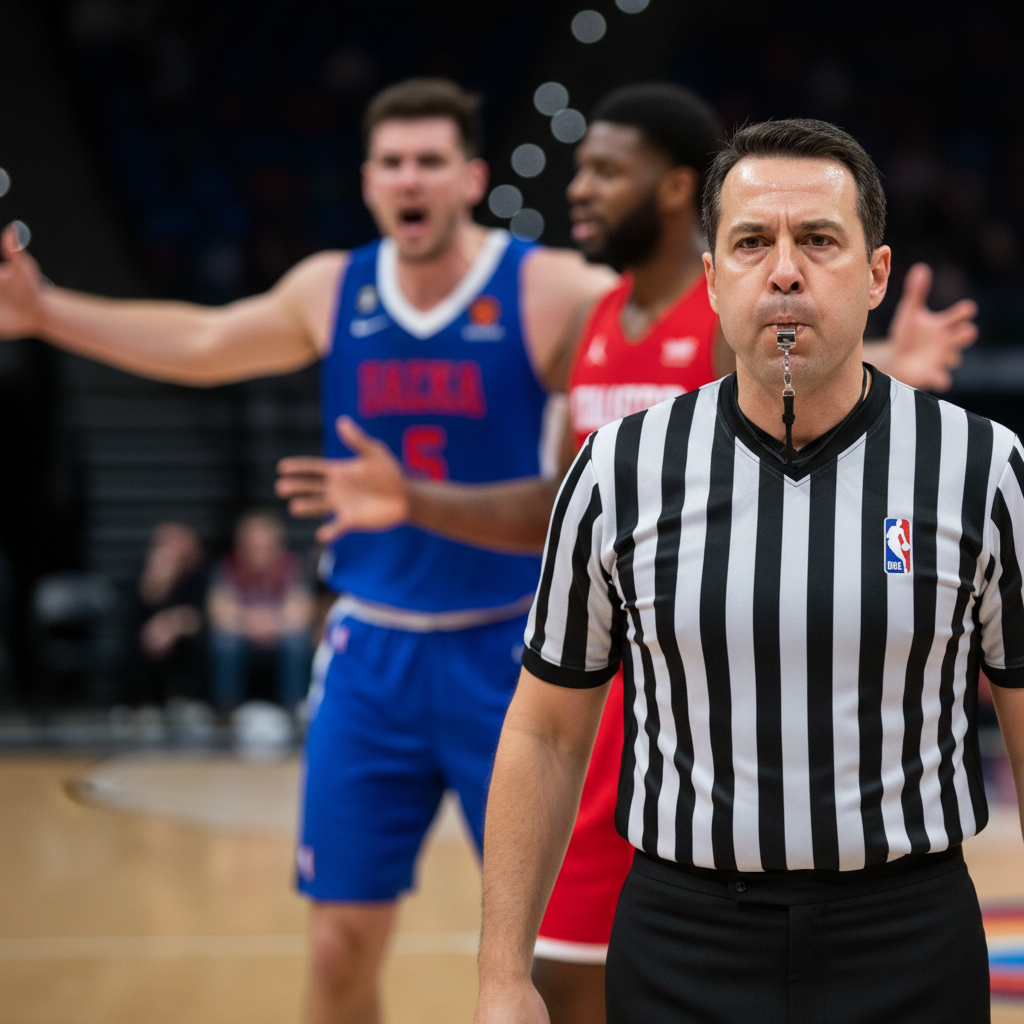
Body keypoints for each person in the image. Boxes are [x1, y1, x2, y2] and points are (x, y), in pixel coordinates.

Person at [280, 84, 980, 1024]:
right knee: (544, 984)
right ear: (712, 265)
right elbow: (559, 506)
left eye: (606, 169)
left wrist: (900, 364)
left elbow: (808, 363)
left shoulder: (959, 458)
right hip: (630, 744)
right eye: (750, 245)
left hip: (866, 874)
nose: (581, 188)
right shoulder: (603, 334)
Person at [0, 77, 613, 1024]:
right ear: (370, 181)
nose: (411, 178)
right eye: (394, 162)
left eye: (431, 161)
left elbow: (677, 331)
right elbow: (204, 340)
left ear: (471, 179)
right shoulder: (334, 287)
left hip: (513, 655)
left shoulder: (546, 288)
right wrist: (48, 315)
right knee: (336, 950)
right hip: (372, 653)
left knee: (553, 963)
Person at [474, 117, 1023, 1024]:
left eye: (818, 240)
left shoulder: (981, 469)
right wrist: (502, 976)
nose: (784, 271)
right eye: (752, 242)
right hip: (682, 939)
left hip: (912, 938)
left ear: (876, 273)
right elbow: (546, 731)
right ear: (712, 277)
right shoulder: (617, 469)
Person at [207, 509, 313, 713]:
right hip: (244, 640)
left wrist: (256, 621)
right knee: (224, 641)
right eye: (253, 548)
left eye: (266, 548)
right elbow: (219, 614)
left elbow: (301, 614)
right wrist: (259, 623)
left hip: (278, 640)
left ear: (278, 547)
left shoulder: (293, 567)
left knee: (298, 641)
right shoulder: (227, 567)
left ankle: (295, 709)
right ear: (241, 547)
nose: (260, 554)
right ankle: (227, 710)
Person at [131, 521, 208, 707]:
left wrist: (170, 625)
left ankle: (194, 701)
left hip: (186, 642)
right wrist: (158, 581)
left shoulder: (200, 573)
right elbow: (140, 608)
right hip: (150, 643)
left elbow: (200, 616)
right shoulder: (142, 570)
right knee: (139, 638)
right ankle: (140, 704)